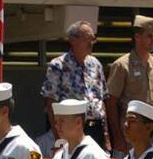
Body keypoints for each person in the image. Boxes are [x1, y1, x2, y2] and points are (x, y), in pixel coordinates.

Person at [105, 15, 153, 154]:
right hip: (132, 133)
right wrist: (117, 137)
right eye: (149, 36)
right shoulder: (122, 65)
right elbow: (111, 103)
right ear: (137, 37)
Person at [40, 20, 109, 151]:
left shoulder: (96, 64)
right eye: (87, 38)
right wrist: (58, 138)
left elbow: (102, 101)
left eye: (93, 39)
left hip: (96, 129)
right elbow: (50, 104)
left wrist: (106, 137)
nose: (91, 43)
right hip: (70, 129)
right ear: (73, 40)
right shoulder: (58, 65)